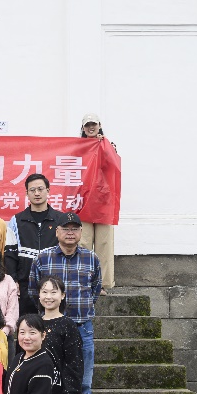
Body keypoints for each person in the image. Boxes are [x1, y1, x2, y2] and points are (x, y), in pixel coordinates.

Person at [29, 212, 102, 394]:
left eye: (75, 229)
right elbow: (33, 291)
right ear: (57, 232)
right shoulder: (43, 258)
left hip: (81, 328)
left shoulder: (91, 258)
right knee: (48, 382)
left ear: (80, 232)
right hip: (50, 329)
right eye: (66, 229)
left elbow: (95, 290)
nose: (70, 233)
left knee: (84, 386)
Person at [4, 174, 69, 315]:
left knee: (53, 324)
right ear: (27, 193)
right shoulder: (16, 220)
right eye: (32, 190)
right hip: (25, 286)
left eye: (40, 189)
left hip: (54, 287)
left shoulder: (60, 220)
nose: (37, 193)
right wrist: (13, 279)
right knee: (27, 325)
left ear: (48, 191)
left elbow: (67, 250)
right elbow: (10, 254)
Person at [79, 114, 116, 290]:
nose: (91, 128)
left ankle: (102, 284)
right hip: (84, 202)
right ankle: (84, 283)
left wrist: (106, 145)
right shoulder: (78, 148)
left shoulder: (108, 145)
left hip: (104, 202)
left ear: (99, 125)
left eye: (93, 124)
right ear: (83, 128)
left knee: (104, 244)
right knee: (83, 243)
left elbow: (112, 166)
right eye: (87, 125)